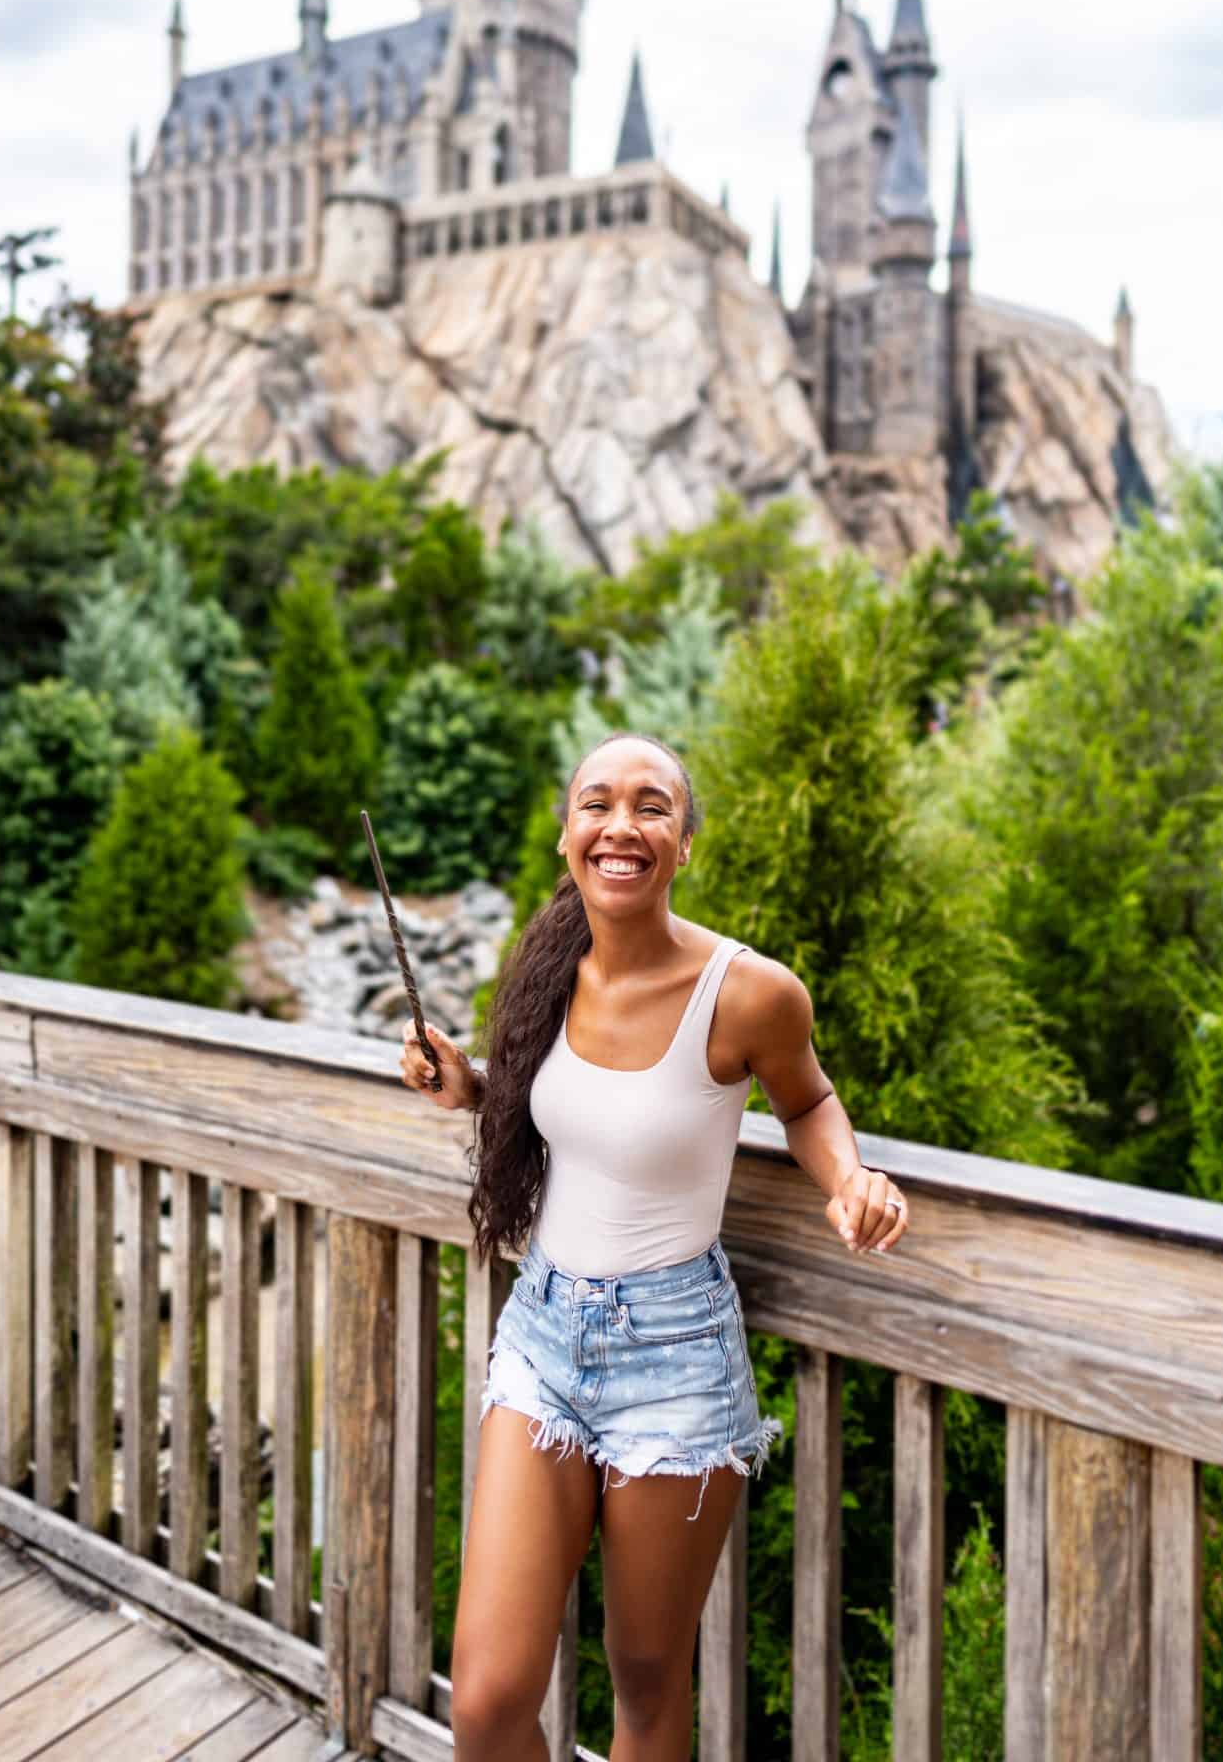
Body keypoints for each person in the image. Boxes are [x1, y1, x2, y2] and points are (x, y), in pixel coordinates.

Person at [399, 730, 909, 1761]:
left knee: (643, 1680)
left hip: (676, 1358)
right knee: (487, 1701)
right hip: (542, 1339)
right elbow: (569, 1111)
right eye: (597, 804)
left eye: (651, 806)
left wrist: (851, 1179)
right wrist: (471, 1087)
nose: (620, 826)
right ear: (566, 835)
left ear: (684, 843)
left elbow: (809, 1103)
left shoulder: (750, 992)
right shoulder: (548, 971)